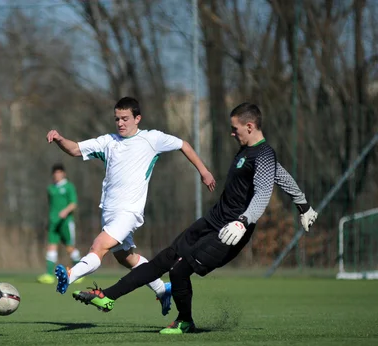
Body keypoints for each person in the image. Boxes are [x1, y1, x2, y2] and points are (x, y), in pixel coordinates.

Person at [72, 102, 319, 333]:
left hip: (232, 231)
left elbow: (263, 194)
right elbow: (283, 176)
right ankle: (107, 297)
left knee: (179, 270)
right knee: (163, 260)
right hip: (213, 221)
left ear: (250, 126)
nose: (232, 133)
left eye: (235, 129)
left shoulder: (263, 154)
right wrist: (304, 204)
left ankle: (185, 322)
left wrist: (243, 221)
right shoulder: (248, 151)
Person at [47, 96, 216, 316]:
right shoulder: (109, 141)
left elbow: (183, 145)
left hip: (129, 213)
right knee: (126, 257)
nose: (120, 123)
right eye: (117, 119)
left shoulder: (151, 139)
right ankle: (162, 289)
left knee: (98, 246)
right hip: (109, 212)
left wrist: (203, 171)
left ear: (138, 118)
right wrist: (60, 139)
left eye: (125, 118)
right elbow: (76, 149)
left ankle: (70, 275)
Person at [37, 163, 83, 284]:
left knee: (70, 248)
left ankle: (80, 272)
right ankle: (48, 274)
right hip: (53, 223)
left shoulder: (69, 187)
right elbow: (51, 206)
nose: (56, 175)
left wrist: (65, 211)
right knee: (51, 247)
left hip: (65, 222)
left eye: (59, 172)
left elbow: (73, 203)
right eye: (55, 173)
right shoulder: (51, 189)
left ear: (63, 173)